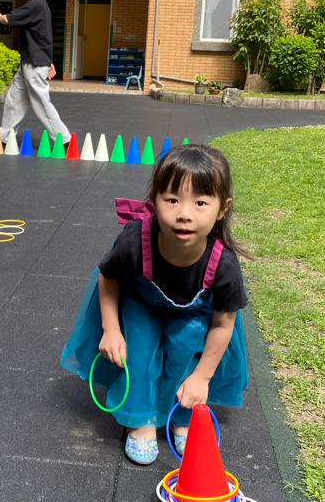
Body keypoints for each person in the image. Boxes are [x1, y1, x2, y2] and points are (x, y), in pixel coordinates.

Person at [61, 144, 249, 465]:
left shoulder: (224, 264)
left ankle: (183, 415)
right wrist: (110, 329)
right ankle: (142, 418)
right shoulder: (135, 241)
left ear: (222, 208)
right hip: (142, 300)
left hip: (194, 310)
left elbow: (223, 323)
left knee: (187, 344)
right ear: (154, 200)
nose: (184, 213)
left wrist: (202, 377)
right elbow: (108, 277)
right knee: (139, 347)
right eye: (172, 199)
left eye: (201, 202)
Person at [0, 0, 70, 146]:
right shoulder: (42, 6)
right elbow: (45, 36)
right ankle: (5, 137)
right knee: (14, 100)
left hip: (34, 63)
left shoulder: (35, 5)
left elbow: (8, 19)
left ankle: (63, 139)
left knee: (41, 103)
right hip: (30, 61)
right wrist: (48, 61)